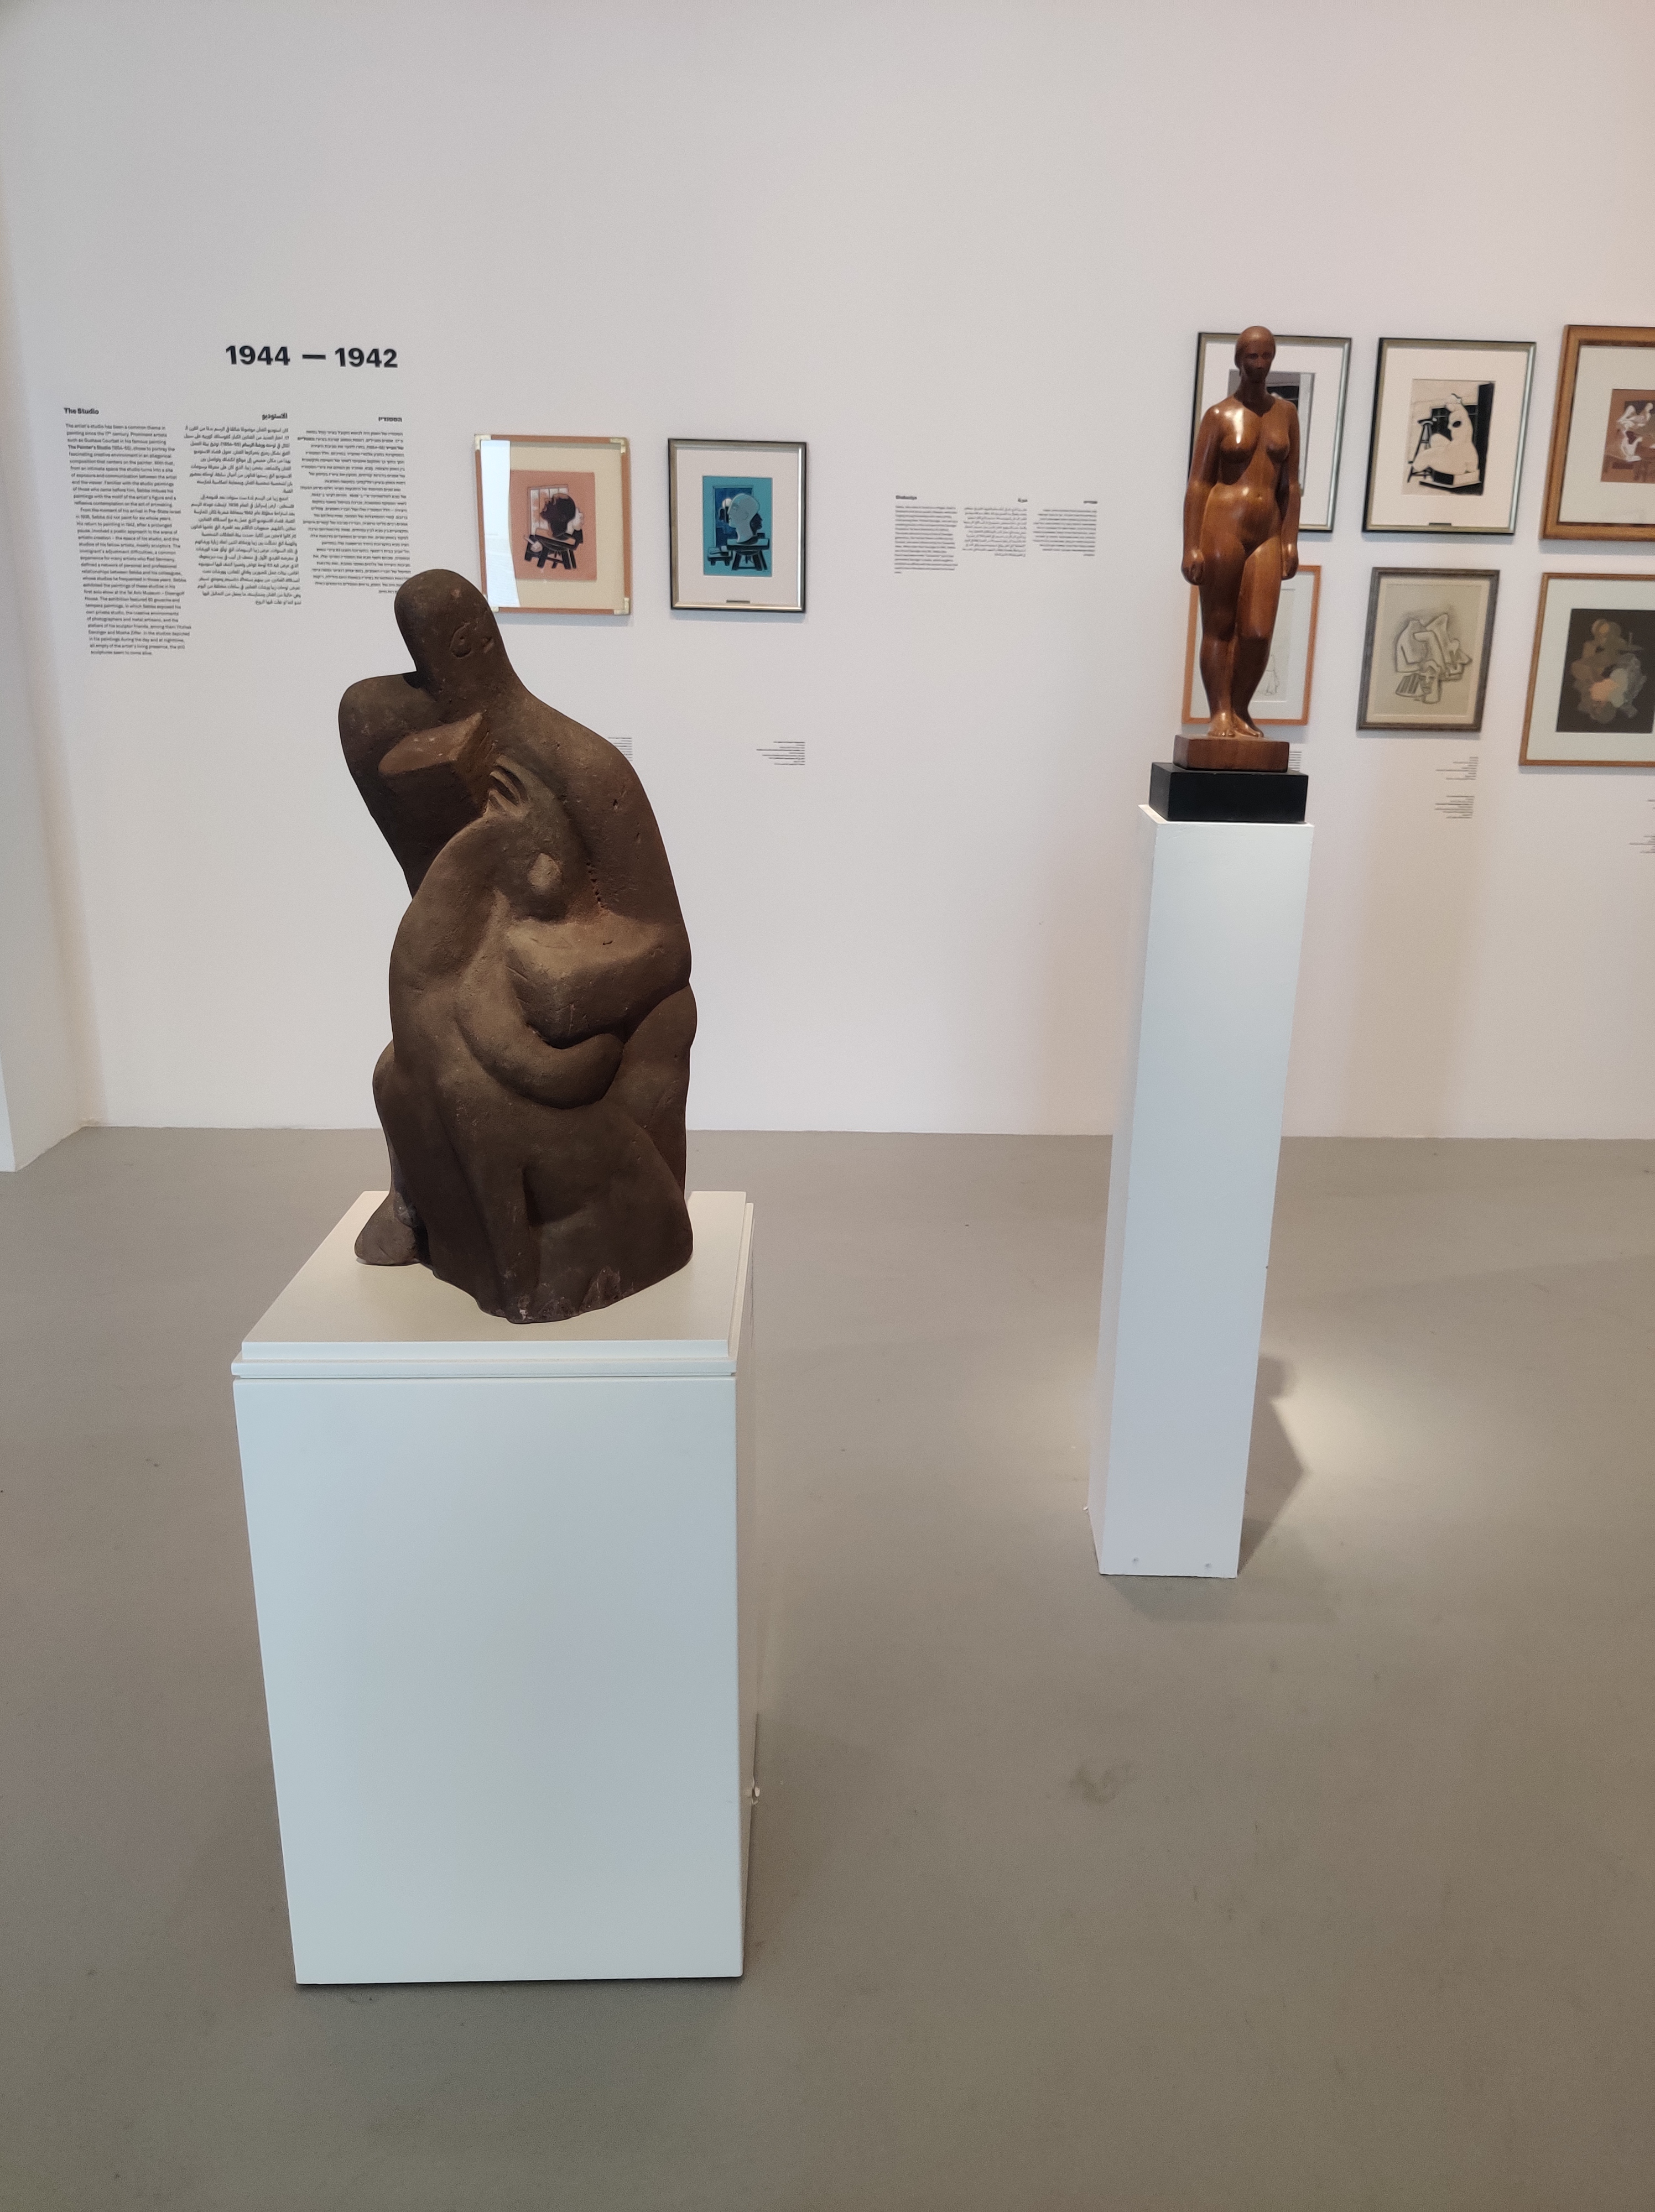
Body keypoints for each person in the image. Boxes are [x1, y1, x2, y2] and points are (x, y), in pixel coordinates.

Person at [1182, 326, 1300, 753]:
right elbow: (1198, 483)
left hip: (1267, 532)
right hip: (1222, 527)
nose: (1260, 364)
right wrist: (1191, 544)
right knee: (1219, 624)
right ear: (1239, 360)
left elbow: (1291, 485)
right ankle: (1220, 711)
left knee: (1258, 630)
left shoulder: (1286, 413)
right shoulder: (1218, 416)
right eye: (1252, 356)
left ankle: (1242, 708)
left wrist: (1290, 540)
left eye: (1266, 356)